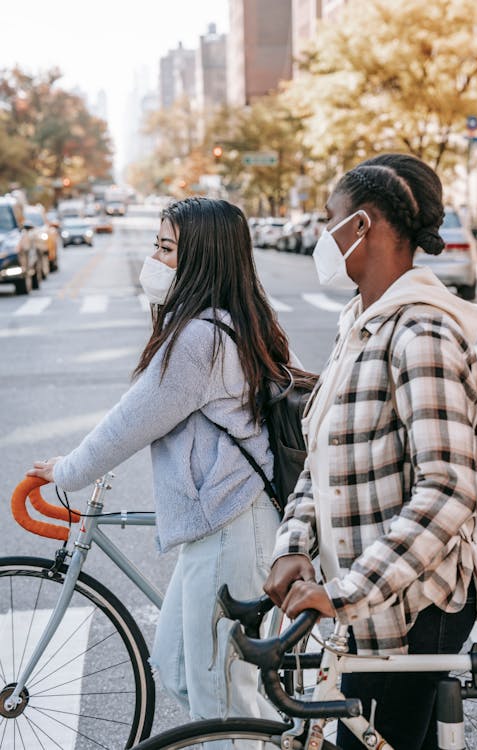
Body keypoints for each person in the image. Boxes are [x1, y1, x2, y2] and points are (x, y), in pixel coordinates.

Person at [28, 197, 294, 728]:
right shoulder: (229, 321)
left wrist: (66, 470)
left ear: (202, 258)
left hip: (231, 530)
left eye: (166, 248)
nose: (154, 257)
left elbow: (130, 421)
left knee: (222, 707)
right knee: (176, 669)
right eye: (156, 244)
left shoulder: (199, 339)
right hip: (221, 528)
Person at [264, 153, 477, 750]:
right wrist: (292, 547)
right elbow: (321, 456)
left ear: (360, 225)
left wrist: (344, 593)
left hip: (412, 610)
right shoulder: (358, 323)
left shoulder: (422, 333)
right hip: (358, 607)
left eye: (326, 218)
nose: (318, 233)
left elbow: (449, 488)